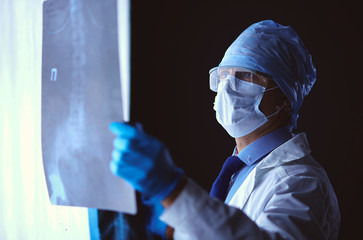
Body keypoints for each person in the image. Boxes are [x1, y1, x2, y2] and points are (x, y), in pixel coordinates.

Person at [109, 20, 341, 239]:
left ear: (285, 98)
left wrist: (173, 190)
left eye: (246, 76)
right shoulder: (241, 170)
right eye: (223, 75)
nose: (227, 88)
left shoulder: (303, 183)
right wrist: (171, 229)